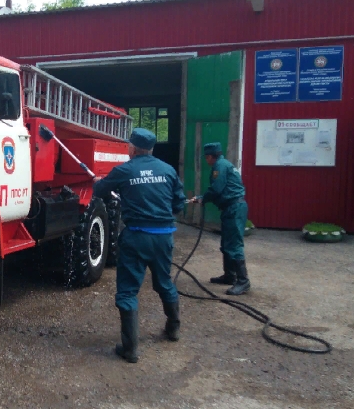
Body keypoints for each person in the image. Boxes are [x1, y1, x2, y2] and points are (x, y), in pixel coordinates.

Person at [93, 128, 187, 364]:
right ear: (152, 148)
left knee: (127, 291)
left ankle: (130, 348)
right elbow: (179, 206)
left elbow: (99, 191)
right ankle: (173, 328)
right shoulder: (168, 170)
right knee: (164, 282)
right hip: (164, 237)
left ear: (132, 148)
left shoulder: (124, 170)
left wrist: (100, 182)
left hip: (136, 237)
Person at [189, 142, 251, 296]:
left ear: (210, 156)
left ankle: (243, 281)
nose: (206, 160)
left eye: (206, 157)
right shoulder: (224, 164)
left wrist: (203, 198)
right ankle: (230, 276)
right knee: (227, 243)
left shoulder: (220, 166)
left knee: (234, 245)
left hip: (234, 208)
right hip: (231, 208)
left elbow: (216, 189)